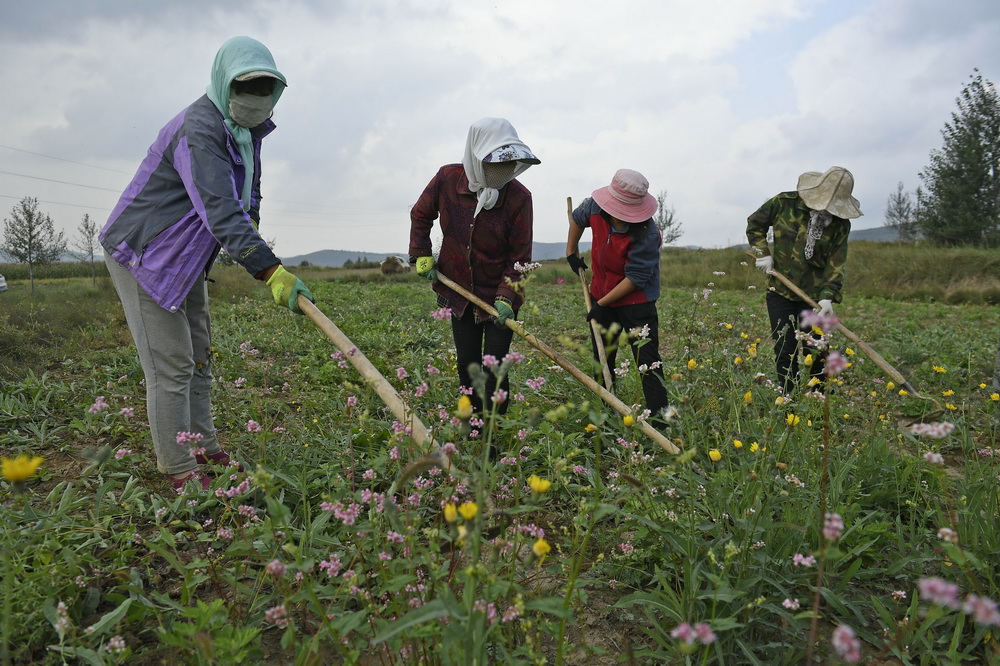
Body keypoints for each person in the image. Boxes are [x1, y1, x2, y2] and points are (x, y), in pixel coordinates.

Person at [100, 36, 313, 491]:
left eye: (265, 90)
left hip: (184, 256)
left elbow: (246, 199)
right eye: (246, 88)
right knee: (171, 363)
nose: (255, 99)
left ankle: (204, 446)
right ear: (224, 83)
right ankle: (179, 468)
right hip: (142, 253)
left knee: (199, 355)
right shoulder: (199, 128)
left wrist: (253, 240)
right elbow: (219, 209)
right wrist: (270, 268)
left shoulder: (245, 133)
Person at [409, 117, 539, 424]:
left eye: (510, 165)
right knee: (468, 365)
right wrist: (421, 254)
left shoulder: (520, 198)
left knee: (494, 370)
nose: (503, 173)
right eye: (496, 164)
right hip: (459, 292)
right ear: (477, 155)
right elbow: (420, 213)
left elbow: (520, 256)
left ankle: (494, 433)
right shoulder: (448, 179)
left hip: (499, 298)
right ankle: (472, 426)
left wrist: (507, 296)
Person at [566, 169, 669, 428]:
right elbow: (577, 219)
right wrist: (571, 252)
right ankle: (603, 411)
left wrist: (601, 305)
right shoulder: (594, 208)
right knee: (603, 356)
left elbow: (635, 277)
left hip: (636, 303)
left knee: (647, 361)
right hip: (601, 290)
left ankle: (660, 421)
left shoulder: (646, 234)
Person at [746, 166, 862, 394]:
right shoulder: (783, 203)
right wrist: (763, 254)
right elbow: (755, 223)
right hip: (780, 290)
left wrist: (828, 297)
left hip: (814, 298)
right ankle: (787, 400)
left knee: (817, 351)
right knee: (784, 350)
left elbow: (836, 263)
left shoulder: (840, 224)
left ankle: (818, 401)